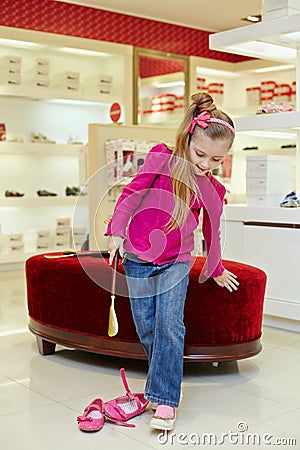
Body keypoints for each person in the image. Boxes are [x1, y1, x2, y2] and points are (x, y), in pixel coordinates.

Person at [106, 92, 239, 431]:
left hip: (177, 261)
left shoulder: (213, 189)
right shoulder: (161, 159)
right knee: (147, 325)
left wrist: (216, 267)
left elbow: (212, 231)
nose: (206, 164)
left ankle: (165, 399)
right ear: (187, 138)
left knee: (169, 323)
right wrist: (117, 231)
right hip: (137, 257)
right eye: (200, 154)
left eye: (216, 159)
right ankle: (158, 386)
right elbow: (132, 193)